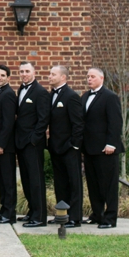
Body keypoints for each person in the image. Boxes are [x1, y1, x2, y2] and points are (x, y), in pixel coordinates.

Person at [82, 67, 124, 229]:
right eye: (88, 76)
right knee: (93, 184)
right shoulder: (85, 96)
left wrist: (111, 143)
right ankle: (97, 214)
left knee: (108, 185)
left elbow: (115, 122)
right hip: (90, 148)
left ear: (101, 78)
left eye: (92, 76)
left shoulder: (110, 97)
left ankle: (110, 218)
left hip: (106, 149)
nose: (89, 79)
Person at [47, 65, 84, 228]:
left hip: (69, 149)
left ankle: (75, 218)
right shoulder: (51, 96)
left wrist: (74, 146)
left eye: (53, 74)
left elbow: (78, 124)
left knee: (74, 183)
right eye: (50, 74)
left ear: (63, 77)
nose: (50, 76)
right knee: (60, 183)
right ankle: (62, 215)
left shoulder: (71, 96)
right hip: (55, 148)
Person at [15, 61, 50, 227]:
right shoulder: (21, 89)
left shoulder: (40, 92)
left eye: (27, 71)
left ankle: (40, 216)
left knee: (36, 180)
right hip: (21, 143)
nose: (24, 74)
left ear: (34, 72)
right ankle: (31, 211)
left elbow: (43, 119)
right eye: (21, 71)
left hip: (33, 144)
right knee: (27, 180)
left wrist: (34, 139)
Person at [0, 65, 17, 224]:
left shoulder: (8, 94)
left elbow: (8, 123)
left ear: (8, 78)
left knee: (8, 180)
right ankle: (3, 209)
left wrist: (0, 145)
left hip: (5, 147)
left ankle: (9, 214)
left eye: (2, 75)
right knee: (2, 179)